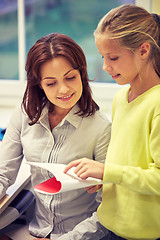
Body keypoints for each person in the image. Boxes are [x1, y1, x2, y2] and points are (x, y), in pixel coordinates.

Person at [0, 33, 111, 240]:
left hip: (79, 236)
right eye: (51, 83)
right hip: (36, 230)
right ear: (39, 84)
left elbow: (107, 210)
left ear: (82, 74)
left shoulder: (101, 127)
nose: (64, 89)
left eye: (70, 77)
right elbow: (3, 174)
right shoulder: (24, 114)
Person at [64, 4, 160, 240]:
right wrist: (104, 178)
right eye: (103, 58)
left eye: (113, 58)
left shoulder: (157, 104)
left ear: (144, 50)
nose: (106, 67)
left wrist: (108, 171)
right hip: (109, 222)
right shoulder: (121, 98)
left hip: (143, 233)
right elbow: (126, 163)